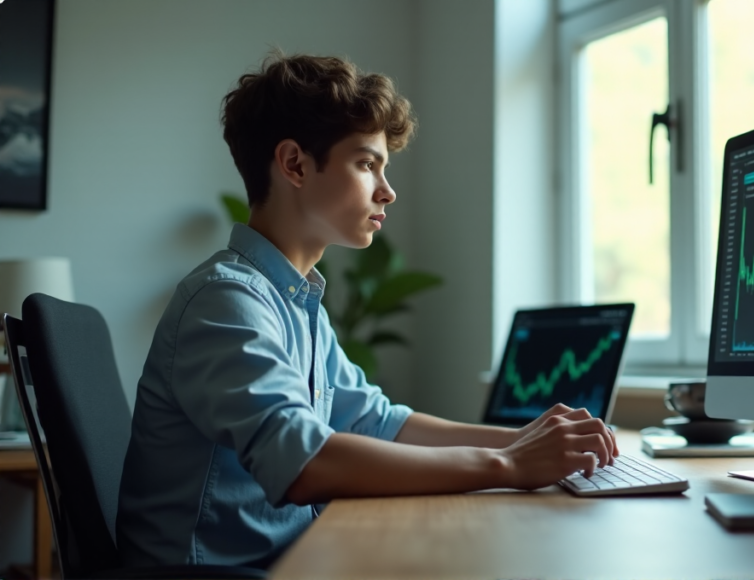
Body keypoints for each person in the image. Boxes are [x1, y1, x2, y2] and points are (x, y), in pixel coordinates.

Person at [115, 52, 618, 570]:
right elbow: (304, 463)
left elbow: (377, 422)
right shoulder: (226, 302)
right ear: (294, 164)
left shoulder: (295, 301)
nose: (388, 190)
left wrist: (530, 442)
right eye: (366, 163)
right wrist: (507, 464)